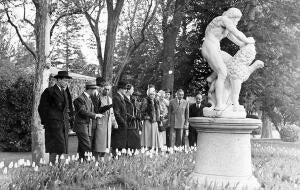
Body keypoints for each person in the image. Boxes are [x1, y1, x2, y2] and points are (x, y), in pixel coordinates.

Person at [201, 7, 255, 111]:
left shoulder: (225, 27)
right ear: (232, 16)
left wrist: (244, 44)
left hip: (216, 49)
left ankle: (212, 78)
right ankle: (219, 104)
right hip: (209, 47)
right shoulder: (223, 19)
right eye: (236, 20)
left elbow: (236, 40)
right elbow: (236, 32)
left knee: (232, 65)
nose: (236, 23)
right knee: (223, 72)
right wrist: (248, 41)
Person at [38, 71, 74, 164]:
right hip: (53, 125)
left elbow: (68, 107)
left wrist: (69, 122)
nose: (67, 82)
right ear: (58, 80)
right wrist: (46, 123)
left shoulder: (65, 92)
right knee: (54, 148)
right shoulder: (49, 91)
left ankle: (58, 169)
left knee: (61, 148)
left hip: (63, 124)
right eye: (65, 80)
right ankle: (53, 169)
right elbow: (42, 108)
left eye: (67, 81)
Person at [73, 81, 103, 160]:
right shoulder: (79, 99)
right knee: (87, 146)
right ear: (90, 89)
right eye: (94, 90)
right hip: (81, 126)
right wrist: (95, 115)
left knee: (82, 147)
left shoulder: (89, 99)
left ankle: (81, 163)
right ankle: (87, 164)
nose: (95, 92)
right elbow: (82, 111)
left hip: (87, 126)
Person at [92, 82, 117, 159]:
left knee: (106, 144)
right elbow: (97, 110)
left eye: (108, 89)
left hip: (108, 124)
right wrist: (108, 106)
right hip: (100, 123)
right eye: (105, 89)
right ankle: (95, 159)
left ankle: (102, 159)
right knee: (99, 144)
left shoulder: (110, 99)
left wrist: (114, 122)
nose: (107, 91)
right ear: (102, 88)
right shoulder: (98, 97)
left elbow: (112, 113)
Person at [111, 81, 128, 155]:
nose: (126, 90)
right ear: (120, 89)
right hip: (119, 124)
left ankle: (118, 157)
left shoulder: (121, 97)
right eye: (124, 89)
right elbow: (116, 113)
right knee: (117, 143)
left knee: (121, 143)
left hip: (122, 123)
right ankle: (115, 157)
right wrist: (123, 122)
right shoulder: (116, 98)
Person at [124, 84, 141, 150]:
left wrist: (138, 115)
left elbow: (135, 109)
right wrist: (131, 117)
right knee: (129, 139)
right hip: (128, 121)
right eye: (132, 89)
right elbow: (124, 111)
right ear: (128, 90)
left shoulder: (132, 99)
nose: (133, 91)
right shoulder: (123, 98)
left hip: (134, 122)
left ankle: (133, 152)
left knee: (135, 139)